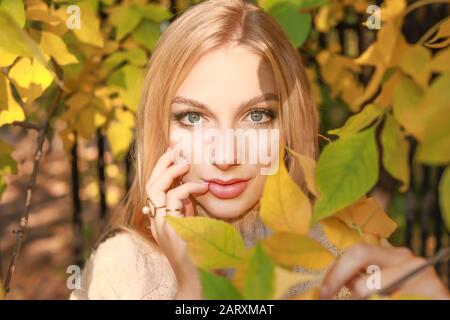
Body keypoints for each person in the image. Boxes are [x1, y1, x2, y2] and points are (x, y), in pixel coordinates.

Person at [69, 0, 449, 300]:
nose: (225, 156)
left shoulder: (347, 259)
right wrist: (192, 283)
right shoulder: (120, 271)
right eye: (193, 118)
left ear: (289, 122)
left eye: (256, 115)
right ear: (159, 127)